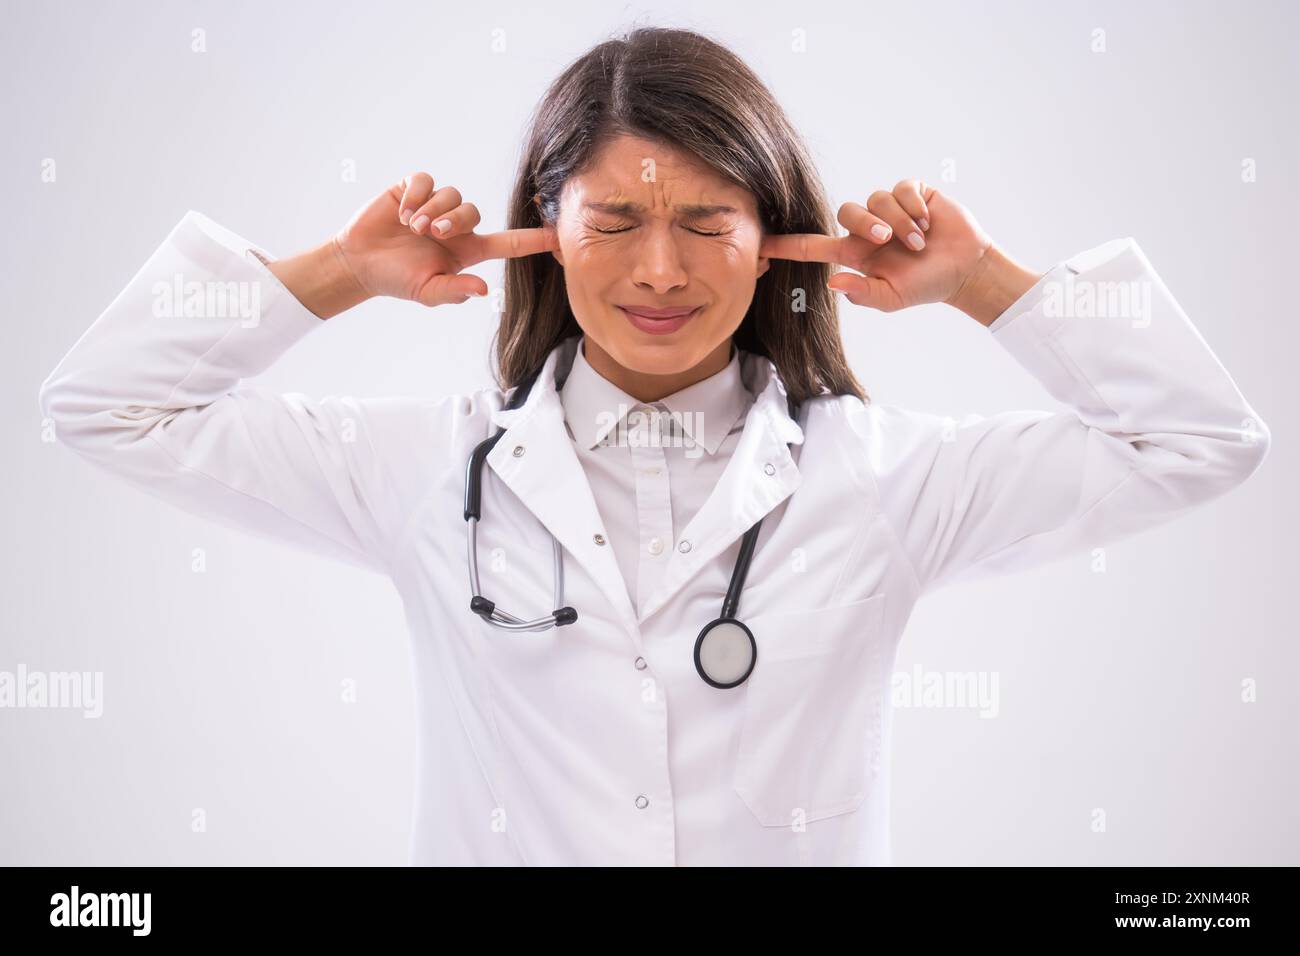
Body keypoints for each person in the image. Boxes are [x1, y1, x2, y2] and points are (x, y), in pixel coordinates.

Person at [38, 27, 1270, 866]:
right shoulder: (429, 473)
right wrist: (343, 273)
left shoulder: (884, 478)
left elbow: (1200, 438)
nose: (661, 269)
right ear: (542, 232)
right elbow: (103, 404)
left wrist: (982, 280)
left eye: (707, 220)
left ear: (779, 236)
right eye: (615, 218)